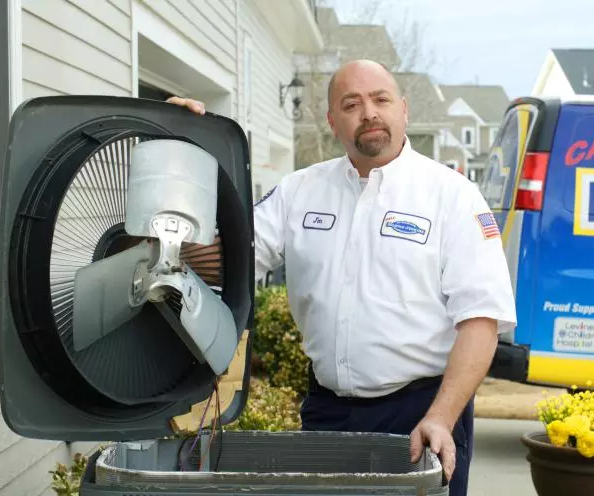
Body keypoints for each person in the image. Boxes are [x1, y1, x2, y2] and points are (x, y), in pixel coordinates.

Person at [166, 59, 516, 495]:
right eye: (351, 104)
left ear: (403, 110)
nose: (368, 112)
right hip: (327, 412)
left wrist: (441, 417)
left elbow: (481, 321)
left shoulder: (453, 196)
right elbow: (227, 260)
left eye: (380, 99)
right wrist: (183, 155)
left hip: (421, 414)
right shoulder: (300, 191)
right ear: (333, 121)